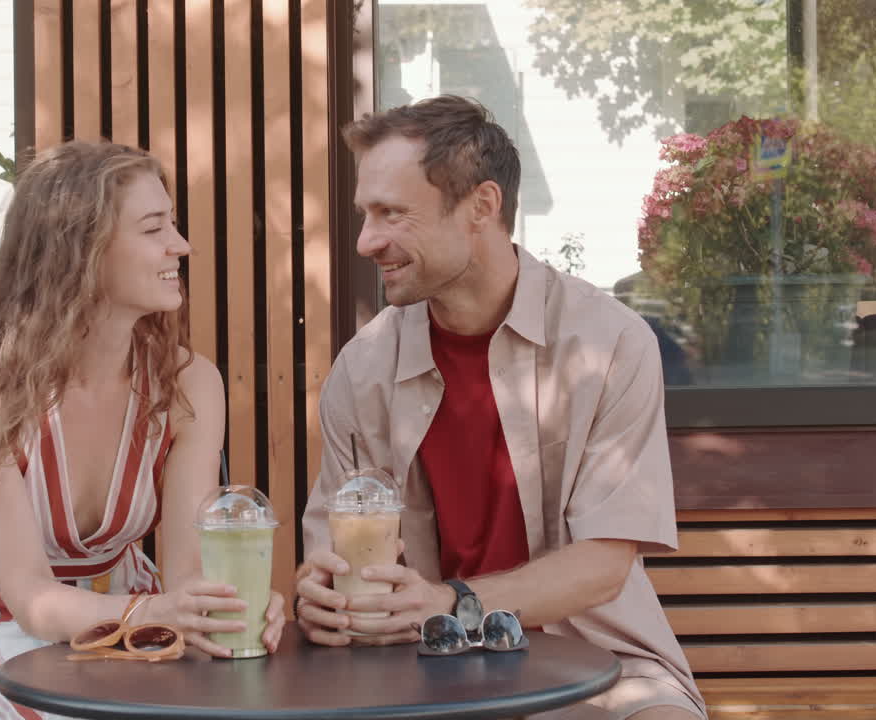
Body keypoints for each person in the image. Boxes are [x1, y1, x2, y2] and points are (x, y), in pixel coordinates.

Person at [294, 96, 706, 720]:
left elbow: (602, 567)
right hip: (416, 674)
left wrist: (448, 601)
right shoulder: (363, 368)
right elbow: (332, 554)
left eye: (393, 214)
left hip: (598, 669)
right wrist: (321, 598)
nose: (366, 241)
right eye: (365, 215)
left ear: (481, 207)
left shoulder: (610, 343)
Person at [0, 140, 286, 719]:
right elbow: (32, 603)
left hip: (134, 625)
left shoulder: (189, 385)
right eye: (154, 229)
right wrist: (163, 612)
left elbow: (184, 570)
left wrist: (225, 606)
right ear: (81, 252)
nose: (180, 246)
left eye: (172, 226)